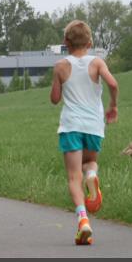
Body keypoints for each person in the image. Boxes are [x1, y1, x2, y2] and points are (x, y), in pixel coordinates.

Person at [50, 20, 119, 246]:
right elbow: (113, 84)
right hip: (93, 125)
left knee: (73, 177)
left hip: (71, 125)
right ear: (89, 42)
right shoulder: (97, 62)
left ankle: (83, 221)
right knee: (89, 163)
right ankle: (91, 176)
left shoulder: (60, 66)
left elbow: (55, 99)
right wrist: (113, 105)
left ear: (66, 42)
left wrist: (59, 82)